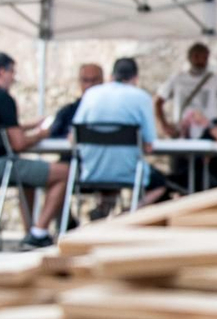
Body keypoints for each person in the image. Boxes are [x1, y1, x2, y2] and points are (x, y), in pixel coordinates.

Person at [0, 52, 70, 250]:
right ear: (1, 71)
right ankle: (39, 232)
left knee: (30, 180)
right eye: (12, 71)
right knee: (66, 172)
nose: (14, 77)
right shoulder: (4, 99)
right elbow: (19, 144)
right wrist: (43, 134)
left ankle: (29, 232)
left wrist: (30, 125)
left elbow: (2, 130)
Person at [71, 57, 171, 208]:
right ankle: (128, 214)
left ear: (111, 76)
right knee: (160, 184)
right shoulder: (141, 97)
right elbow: (149, 144)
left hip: (91, 171)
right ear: (136, 78)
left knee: (109, 172)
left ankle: (103, 215)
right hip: (128, 171)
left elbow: (73, 137)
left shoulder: (91, 94)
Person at [156, 43, 217, 140]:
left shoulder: (216, 80)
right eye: (197, 56)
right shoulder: (177, 79)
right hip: (183, 132)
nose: (200, 61)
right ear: (189, 58)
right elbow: (158, 101)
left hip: (208, 132)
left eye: (204, 57)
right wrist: (164, 125)